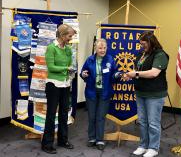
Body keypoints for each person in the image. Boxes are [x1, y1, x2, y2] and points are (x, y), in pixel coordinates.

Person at [125, 31, 169, 157]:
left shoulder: (160, 55)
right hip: (141, 92)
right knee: (142, 121)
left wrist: (136, 74)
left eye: (144, 44)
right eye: (140, 44)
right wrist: (130, 74)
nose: (141, 46)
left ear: (151, 42)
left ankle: (153, 148)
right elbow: (138, 70)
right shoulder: (141, 54)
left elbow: (154, 73)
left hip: (155, 94)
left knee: (153, 123)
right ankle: (143, 145)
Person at [80, 38, 121, 151]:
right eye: (100, 48)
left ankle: (100, 140)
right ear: (95, 49)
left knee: (100, 117)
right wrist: (83, 74)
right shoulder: (90, 60)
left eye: (104, 48)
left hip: (105, 92)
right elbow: (83, 73)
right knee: (91, 116)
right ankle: (92, 138)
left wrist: (117, 74)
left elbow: (114, 74)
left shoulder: (110, 59)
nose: (102, 50)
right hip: (91, 92)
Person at [41, 24, 76, 154]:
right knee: (51, 115)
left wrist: (69, 69)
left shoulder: (68, 49)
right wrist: (66, 69)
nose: (71, 39)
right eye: (69, 36)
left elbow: (69, 64)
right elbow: (51, 67)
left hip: (65, 85)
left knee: (63, 113)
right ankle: (47, 144)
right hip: (53, 85)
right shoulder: (51, 48)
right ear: (62, 35)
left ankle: (62, 140)